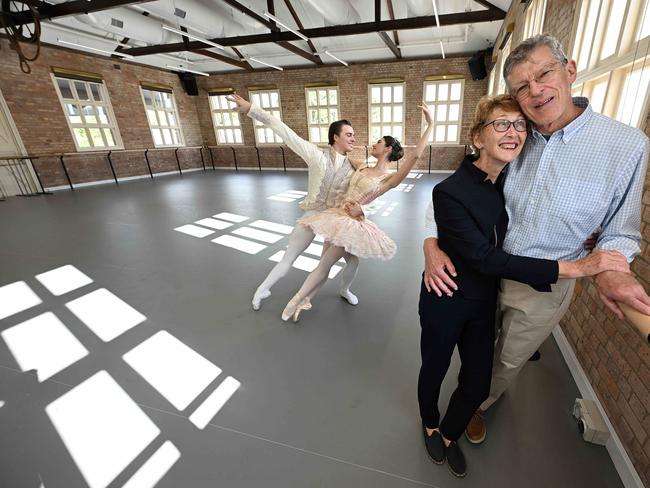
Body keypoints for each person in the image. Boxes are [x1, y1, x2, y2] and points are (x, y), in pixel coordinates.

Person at [423, 34, 650, 445]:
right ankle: (465, 393)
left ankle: (476, 404)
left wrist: (615, 267)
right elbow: (461, 187)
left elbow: (622, 228)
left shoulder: (627, 146)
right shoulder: (514, 132)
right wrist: (430, 241)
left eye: (545, 74)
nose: (536, 91)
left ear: (570, 70)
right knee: (475, 348)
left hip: (545, 284)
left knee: (506, 360)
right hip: (486, 270)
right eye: (522, 87)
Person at [280, 103, 434, 322]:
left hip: (352, 225)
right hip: (336, 217)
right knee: (350, 261)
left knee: (324, 265)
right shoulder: (361, 164)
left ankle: (296, 300)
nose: (373, 143)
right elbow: (336, 155)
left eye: (379, 142)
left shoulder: (389, 179)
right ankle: (328, 294)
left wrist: (430, 124)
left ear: (388, 149)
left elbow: (416, 155)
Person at [227, 94, 362, 310]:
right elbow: (285, 132)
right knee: (288, 258)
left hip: (335, 221)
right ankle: (262, 289)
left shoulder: (355, 167)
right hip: (311, 216)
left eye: (353, 135)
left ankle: (345, 289)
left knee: (353, 260)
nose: (354, 138)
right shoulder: (316, 155)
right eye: (349, 134)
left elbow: (370, 184)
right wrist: (252, 109)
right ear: (335, 137)